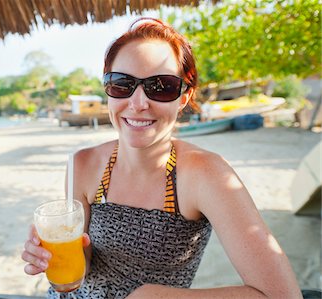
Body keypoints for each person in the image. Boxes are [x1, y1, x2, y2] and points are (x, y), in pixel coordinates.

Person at [22, 18, 302, 298]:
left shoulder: (206, 174)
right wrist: (52, 255)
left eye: (162, 86)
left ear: (183, 97)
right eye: (122, 84)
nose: (138, 103)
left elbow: (282, 294)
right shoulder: (82, 165)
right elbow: (82, 267)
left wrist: (154, 296)